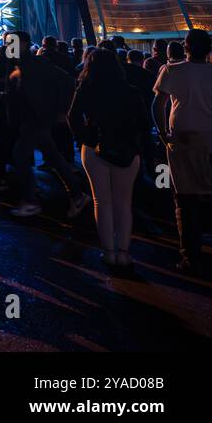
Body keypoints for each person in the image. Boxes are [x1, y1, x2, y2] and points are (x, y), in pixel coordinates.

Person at [71, 48, 149, 268]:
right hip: (126, 148)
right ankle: (124, 253)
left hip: (95, 147)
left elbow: (72, 116)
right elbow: (144, 123)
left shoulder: (86, 88)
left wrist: (86, 137)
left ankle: (109, 252)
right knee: (124, 202)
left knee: (101, 201)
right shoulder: (131, 91)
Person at [4, 32, 90, 219]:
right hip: (36, 118)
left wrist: (59, 110)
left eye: (11, 43)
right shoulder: (23, 64)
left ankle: (31, 201)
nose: (7, 46)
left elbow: (66, 81)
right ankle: (77, 194)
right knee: (53, 156)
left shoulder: (34, 63)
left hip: (35, 119)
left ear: (24, 44)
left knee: (20, 155)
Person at [153, 28, 212, 273]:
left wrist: (161, 133)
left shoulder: (171, 71)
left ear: (185, 47)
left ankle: (190, 256)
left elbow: (157, 104)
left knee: (185, 199)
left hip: (182, 141)